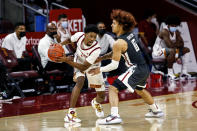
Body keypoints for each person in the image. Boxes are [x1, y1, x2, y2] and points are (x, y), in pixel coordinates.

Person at [89, 9, 164, 125]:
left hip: (136, 69)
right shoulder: (130, 35)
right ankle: (156, 110)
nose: (111, 25)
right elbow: (117, 52)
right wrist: (102, 58)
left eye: (114, 23)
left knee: (113, 88)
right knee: (140, 90)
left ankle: (114, 116)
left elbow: (114, 64)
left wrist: (100, 69)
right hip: (144, 68)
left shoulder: (119, 42)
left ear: (121, 25)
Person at [56, 24, 106, 123]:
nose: (92, 39)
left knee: (101, 96)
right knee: (80, 82)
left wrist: (66, 60)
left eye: (94, 37)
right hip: (78, 61)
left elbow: (84, 67)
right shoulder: (79, 35)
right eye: (90, 36)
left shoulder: (96, 49)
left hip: (92, 67)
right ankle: (71, 113)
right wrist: (60, 45)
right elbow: (69, 40)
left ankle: (96, 102)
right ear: (85, 34)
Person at [152, 15, 190, 80]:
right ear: (168, 24)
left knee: (186, 49)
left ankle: (183, 72)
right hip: (158, 53)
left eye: (175, 26)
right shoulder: (164, 31)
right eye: (172, 25)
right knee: (172, 50)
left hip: (170, 51)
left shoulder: (176, 32)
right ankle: (170, 74)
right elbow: (170, 45)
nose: (174, 27)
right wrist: (177, 44)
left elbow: (182, 44)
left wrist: (175, 45)